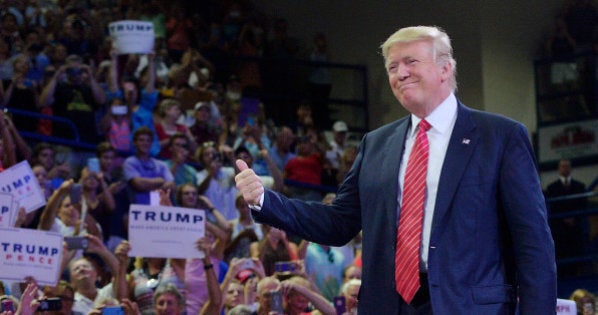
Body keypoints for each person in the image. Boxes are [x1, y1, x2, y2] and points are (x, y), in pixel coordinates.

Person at [235, 26, 556, 314]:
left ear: (446, 68)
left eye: (410, 62)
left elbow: (533, 245)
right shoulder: (376, 145)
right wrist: (266, 200)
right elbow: (337, 222)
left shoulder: (499, 137)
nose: (399, 73)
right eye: (392, 67)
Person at [545, 158, 588, 276]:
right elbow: (552, 207)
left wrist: (574, 218)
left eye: (567, 166)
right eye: (562, 166)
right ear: (559, 169)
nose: (565, 168)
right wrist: (563, 218)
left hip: (576, 228)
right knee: (562, 255)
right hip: (560, 230)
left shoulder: (580, 186)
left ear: (571, 168)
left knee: (577, 255)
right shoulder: (551, 188)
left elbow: (583, 205)